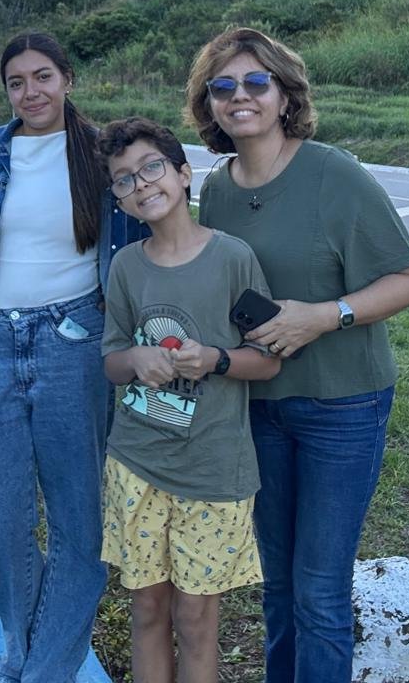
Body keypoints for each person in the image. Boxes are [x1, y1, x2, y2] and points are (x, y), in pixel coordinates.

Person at [186, 27, 409, 683]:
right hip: (259, 405)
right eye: (223, 86)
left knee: (319, 592)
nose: (240, 96)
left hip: (342, 407)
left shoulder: (333, 173)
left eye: (256, 82)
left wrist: (324, 316)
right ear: (209, 105)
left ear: (285, 94)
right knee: (279, 585)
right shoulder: (218, 188)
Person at [0, 31, 145, 683]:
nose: (30, 91)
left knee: (77, 522)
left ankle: (37, 672)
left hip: (74, 340)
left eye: (42, 76)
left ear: (67, 78)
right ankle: (23, 649)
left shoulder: (101, 154)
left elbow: (139, 244)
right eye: (17, 82)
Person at [98, 117, 282, 683]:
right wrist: (136, 358)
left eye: (151, 168)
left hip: (212, 471)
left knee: (197, 620)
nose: (141, 184)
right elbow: (111, 362)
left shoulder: (233, 258)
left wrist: (216, 359)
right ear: (120, 200)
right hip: (136, 465)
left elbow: (269, 358)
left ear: (182, 174)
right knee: (147, 609)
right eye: (125, 180)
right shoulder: (125, 266)